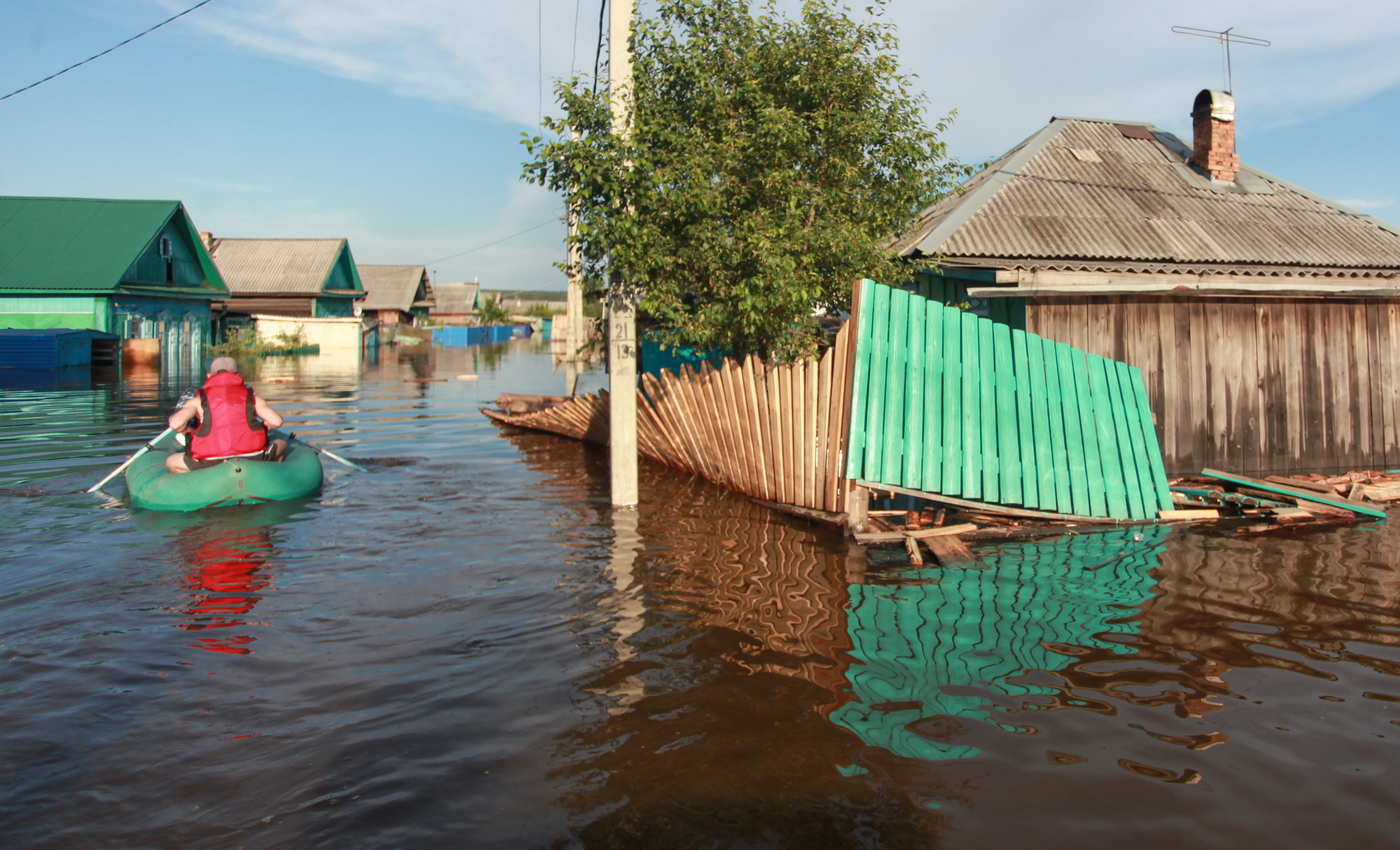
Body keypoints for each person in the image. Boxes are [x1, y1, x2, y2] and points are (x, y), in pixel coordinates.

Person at [166, 356, 289, 473]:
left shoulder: (197, 400)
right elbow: (277, 422)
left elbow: (176, 423)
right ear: (238, 375)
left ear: (209, 376)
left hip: (210, 461)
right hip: (254, 457)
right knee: (281, 443)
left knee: (171, 462)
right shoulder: (252, 397)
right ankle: (269, 474)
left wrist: (187, 430)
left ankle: (200, 485)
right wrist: (263, 427)